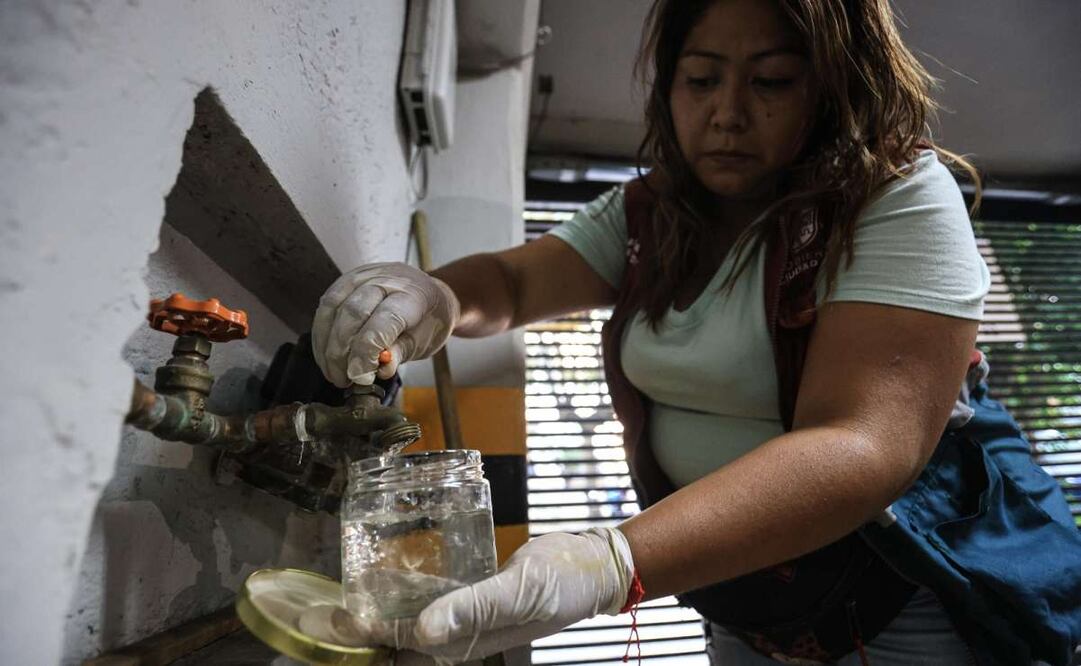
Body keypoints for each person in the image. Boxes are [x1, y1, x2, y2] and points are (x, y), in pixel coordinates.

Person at [311, 0, 1081, 664]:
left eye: (772, 81)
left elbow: (861, 442)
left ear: (835, 82)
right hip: (733, 591)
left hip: (896, 598)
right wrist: (434, 295)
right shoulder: (654, 212)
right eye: (700, 78)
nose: (726, 113)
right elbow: (514, 284)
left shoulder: (895, 198)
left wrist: (614, 559)